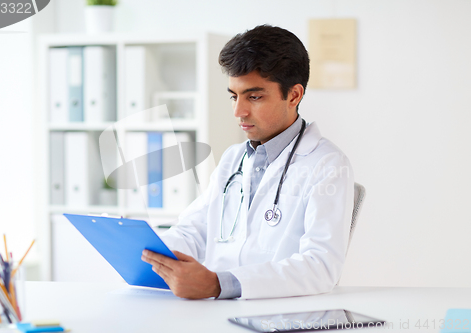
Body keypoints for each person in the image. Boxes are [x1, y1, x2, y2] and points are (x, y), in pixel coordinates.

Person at [141, 24, 354, 300]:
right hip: (215, 311)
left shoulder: (328, 164)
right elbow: (195, 228)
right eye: (234, 96)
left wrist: (220, 284)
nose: (238, 111)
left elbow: (321, 267)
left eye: (254, 97)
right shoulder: (233, 158)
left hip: (279, 315)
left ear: (294, 95)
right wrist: (153, 254)